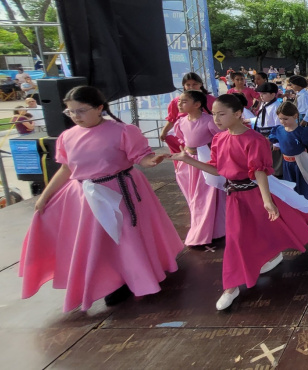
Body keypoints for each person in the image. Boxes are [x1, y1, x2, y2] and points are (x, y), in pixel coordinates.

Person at [20, 86, 183, 312]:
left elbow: (141, 158)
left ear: (99, 108)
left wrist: (151, 161)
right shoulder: (67, 136)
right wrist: (46, 196)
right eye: (70, 112)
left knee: (124, 237)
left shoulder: (123, 131)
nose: (76, 116)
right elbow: (66, 168)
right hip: (84, 195)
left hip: (118, 191)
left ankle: (129, 278)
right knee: (97, 241)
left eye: (81, 110)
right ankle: (109, 281)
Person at [171, 94, 308, 310]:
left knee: (267, 229)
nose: (216, 119)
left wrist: (267, 201)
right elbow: (218, 170)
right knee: (236, 239)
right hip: (234, 197)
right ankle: (231, 286)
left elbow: (259, 172)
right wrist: (188, 160)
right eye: (214, 114)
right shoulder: (219, 139)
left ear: (238, 113)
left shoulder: (255, 140)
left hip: (254, 194)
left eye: (222, 114)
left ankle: (272, 256)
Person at [172, 90, 226, 247]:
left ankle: (208, 232)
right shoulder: (181, 122)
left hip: (205, 162)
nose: (179, 104)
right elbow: (182, 139)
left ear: (197, 104)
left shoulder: (209, 121)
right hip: (188, 164)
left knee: (205, 198)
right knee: (194, 198)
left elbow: (222, 139)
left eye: (184, 101)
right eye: (179, 101)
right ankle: (206, 229)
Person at [269, 102, 308, 229]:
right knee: (292, 192)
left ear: (295, 116)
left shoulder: (302, 132)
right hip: (287, 166)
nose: (283, 121)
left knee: (307, 190)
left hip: (301, 164)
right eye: (280, 118)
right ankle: (297, 218)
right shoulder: (278, 130)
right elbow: (275, 144)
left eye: (286, 119)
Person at [160, 73, 216, 155]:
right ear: (184, 86)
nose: (191, 87)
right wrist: (164, 131)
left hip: (207, 147)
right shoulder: (180, 118)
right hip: (188, 148)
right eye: (188, 85)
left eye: (194, 84)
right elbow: (172, 119)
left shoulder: (211, 105)